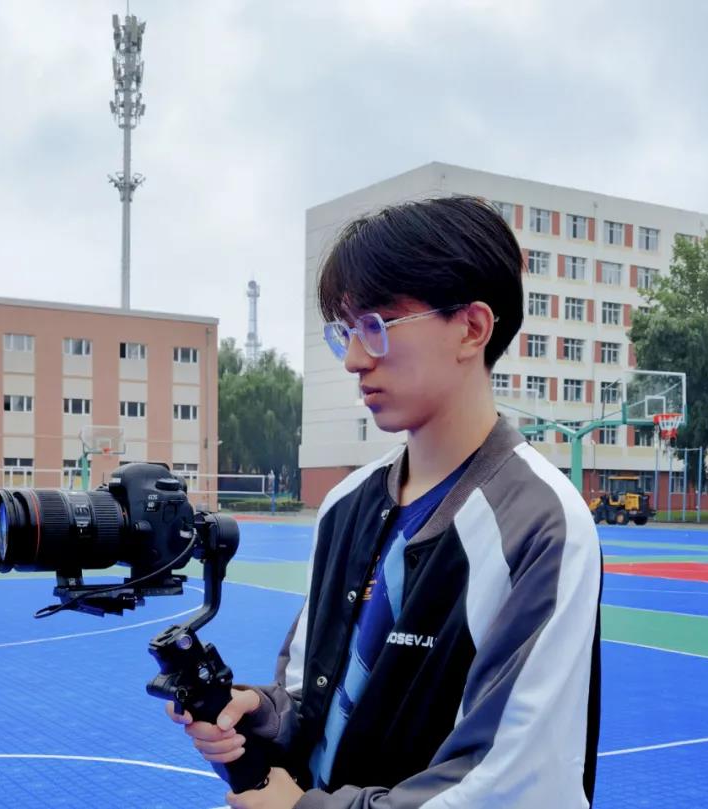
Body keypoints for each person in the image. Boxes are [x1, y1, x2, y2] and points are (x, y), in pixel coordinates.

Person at [167, 196, 603, 808]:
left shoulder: (539, 521)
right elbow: (312, 694)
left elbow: (508, 783)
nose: (353, 359)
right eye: (345, 332)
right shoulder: (346, 503)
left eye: (376, 326)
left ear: (472, 328)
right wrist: (263, 712)